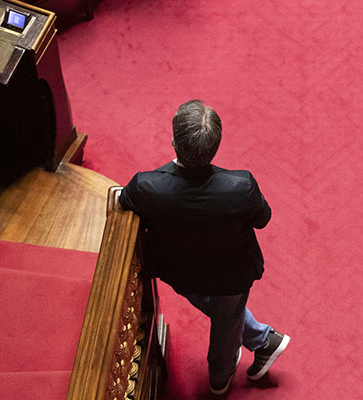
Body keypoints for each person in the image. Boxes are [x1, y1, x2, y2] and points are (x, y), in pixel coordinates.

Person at [119, 99, 289, 394]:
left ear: (173, 141)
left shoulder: (146, 186)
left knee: (225, 321)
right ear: (215, 148)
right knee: (227, 315)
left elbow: (124, 202)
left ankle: (221, 378)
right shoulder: (241, 185)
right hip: (230, 275)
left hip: (180, 271)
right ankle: (261, 343)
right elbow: (263, 219)